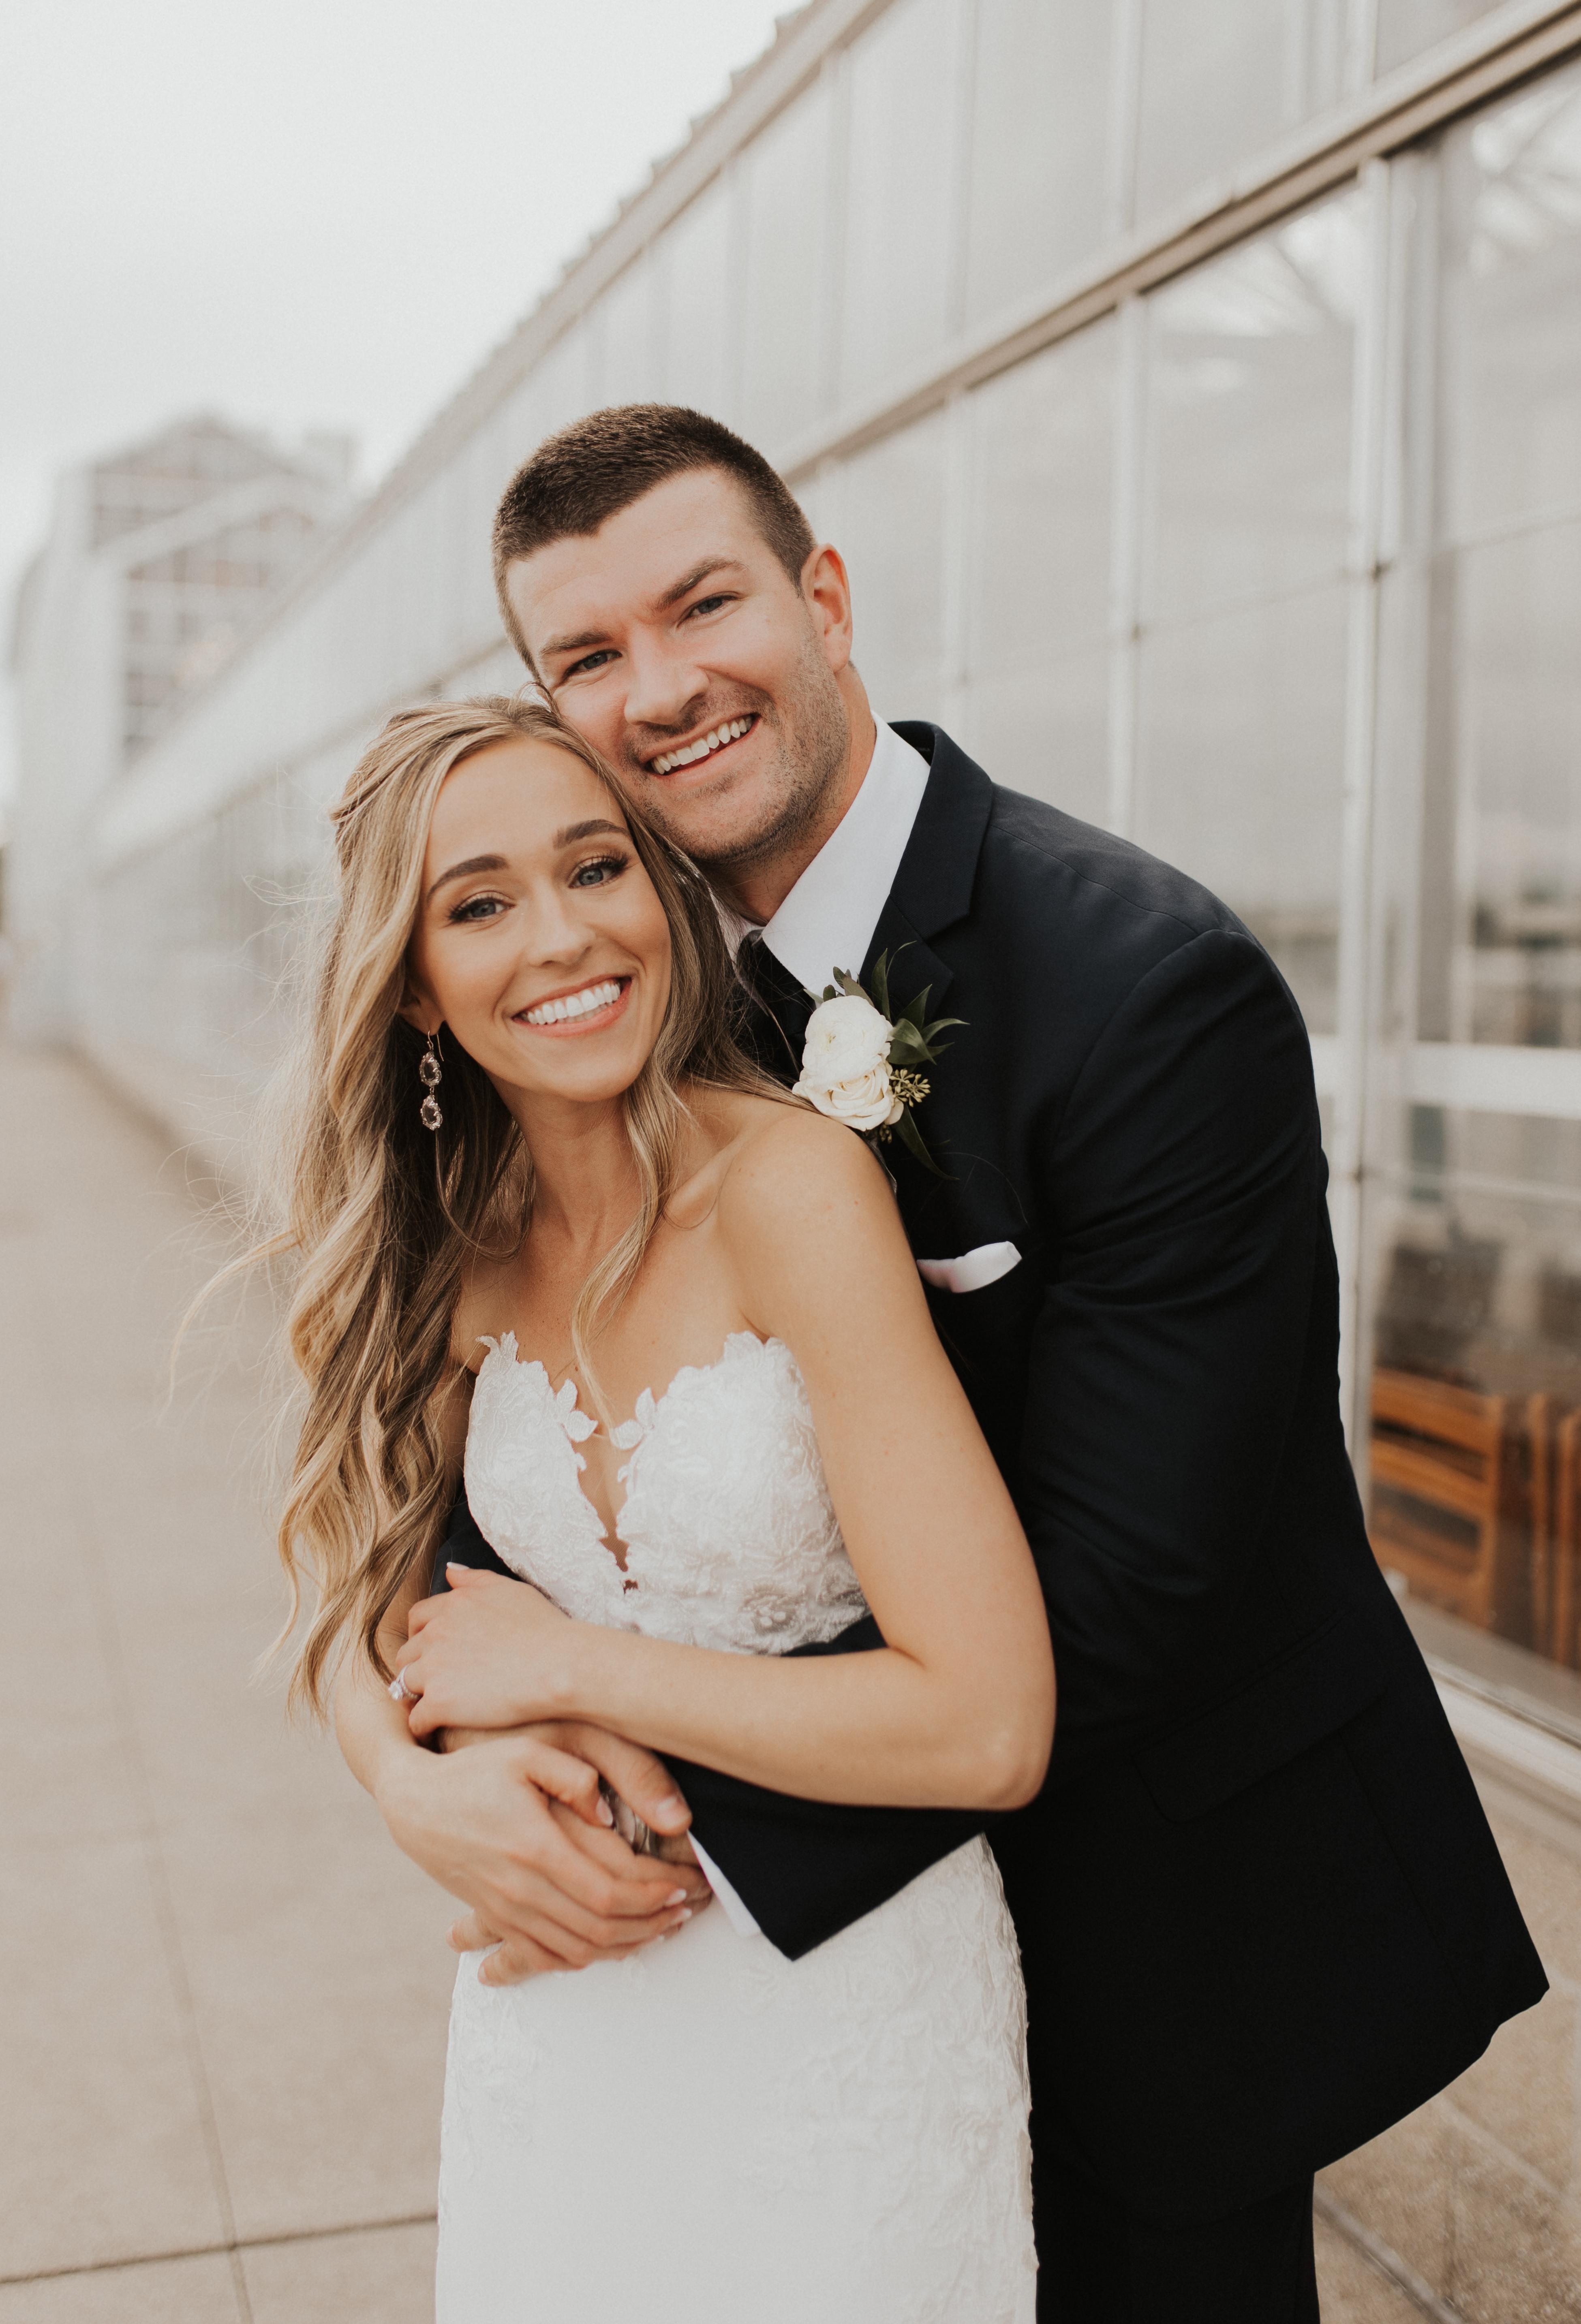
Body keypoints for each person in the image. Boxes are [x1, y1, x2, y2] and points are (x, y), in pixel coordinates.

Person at [352, 404, 1547, 2323]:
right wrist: (414, 1776)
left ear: (824, 599)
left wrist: (617, 1809)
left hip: (1151, 1922)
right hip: (754, 1975)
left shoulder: (1147, 987)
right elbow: (405, 1516)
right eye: (586, 655)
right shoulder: (603, 1006)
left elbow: (1124, 1592)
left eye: (703, 605)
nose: (658, 689)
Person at [299, 695, 1052, 2318]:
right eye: (479, 905)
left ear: (661, 891)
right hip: (557, 2017)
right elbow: (346, 1582)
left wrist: (575, 1670)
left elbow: (988, 1725)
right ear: (411, 986)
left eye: (596, 868)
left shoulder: (792, 1190)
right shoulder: (451, 1244)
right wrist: (407, 1782)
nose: (562, 936)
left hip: (843, 2031)